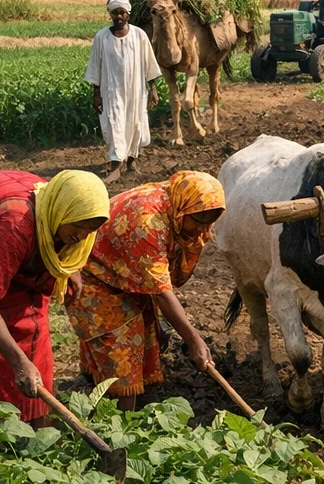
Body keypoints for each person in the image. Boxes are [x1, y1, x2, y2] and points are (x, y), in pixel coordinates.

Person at [0, 170, 110, 422]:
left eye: (89, 231)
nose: (81, 237)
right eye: (77, 227)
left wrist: (69, 268)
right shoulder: (16, 223)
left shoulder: (57, 214)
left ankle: (35, 423)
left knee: (34, 333)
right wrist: (19, 363)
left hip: (4, 231)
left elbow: (72, 241)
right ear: (60, 212)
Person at [64, 171, 225, 410]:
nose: (202, 229)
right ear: (184, 207)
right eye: (198, 219)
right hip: (95, 276)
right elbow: (160, 291)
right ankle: (122, 424)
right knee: (121, 343)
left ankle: (104, 392)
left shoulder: (173, 203)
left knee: (146, 329)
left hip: (122, 269)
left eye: (209, 220)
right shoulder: (148, 222)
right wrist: (194, 341)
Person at [85, 0, 162, 184]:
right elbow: (96, 66)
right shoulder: (101, 37)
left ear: (128, 14)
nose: (118, 16)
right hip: (111, 91)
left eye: (122, 13)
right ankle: (115, 166)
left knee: (135, 124)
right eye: (115, 13)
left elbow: (149, 63)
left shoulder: (139, 35)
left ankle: (131, 163)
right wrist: (96, 94)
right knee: (113, 124)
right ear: (110, 14)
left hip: (135, 91)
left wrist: (153, 88)